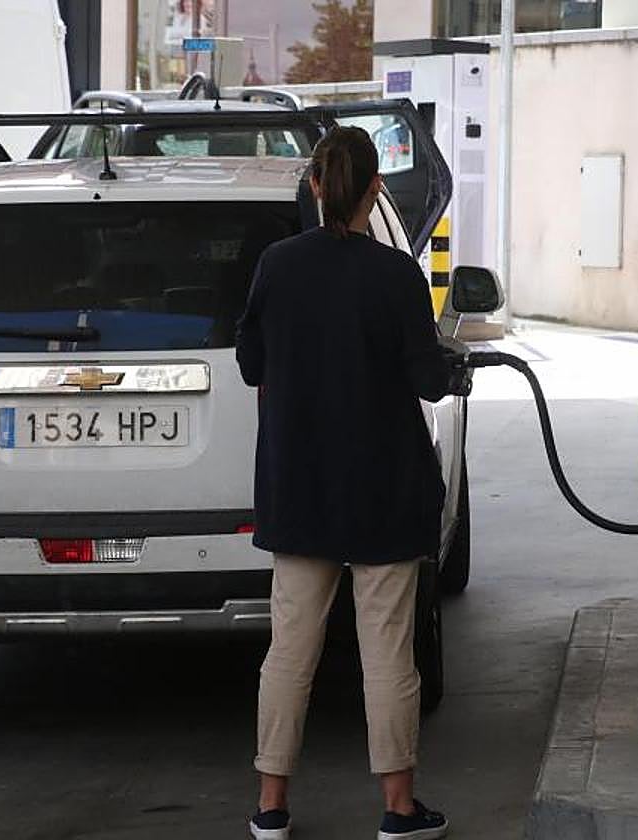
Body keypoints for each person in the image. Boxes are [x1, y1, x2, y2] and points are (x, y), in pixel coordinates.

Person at [236, 126, 460, 840]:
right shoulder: (396, 275)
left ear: (314, 187)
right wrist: (450, 366)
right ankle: (398, 809)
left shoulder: (276, 265)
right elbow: (428, 380)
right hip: (383, 491)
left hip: (299, 487)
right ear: (375, 190)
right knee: (387, 653)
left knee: (289, 651)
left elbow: (250, 363)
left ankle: (271, 806)